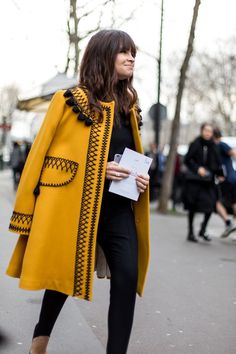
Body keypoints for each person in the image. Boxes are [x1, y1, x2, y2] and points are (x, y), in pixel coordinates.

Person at [6, 30, 150, 354]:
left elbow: (131, 155)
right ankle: (40, 339)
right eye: (123, 52)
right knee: (62, 279)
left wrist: (141, 181)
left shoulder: (130, 105)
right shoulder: (70, 101)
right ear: (103, 55)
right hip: (76, 207)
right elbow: (43, 158)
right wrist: (97, 171)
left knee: (127, 278)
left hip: (118, 210)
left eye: (133, 54)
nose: (131, 58)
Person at [183, 123, 223, 242]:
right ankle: (190, 232)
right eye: (206, 130)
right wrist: (197, 168)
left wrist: (220, 175)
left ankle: (202, 229)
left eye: (210, 131)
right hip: (195, 181)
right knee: (192, 207)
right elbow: (187, 160)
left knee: (211, 205)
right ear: (201, 131)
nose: (207, 133)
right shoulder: (195, 144)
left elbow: (217, 163)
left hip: (208, 182)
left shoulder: (214, 146)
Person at [213, 128, 236, 238]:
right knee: (233, 202)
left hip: (227, 179)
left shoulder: (220, 145)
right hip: (232, 177)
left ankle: (228, 223)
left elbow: (233, 152)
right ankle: (229, 223)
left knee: (216, 202)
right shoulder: (219, 145)